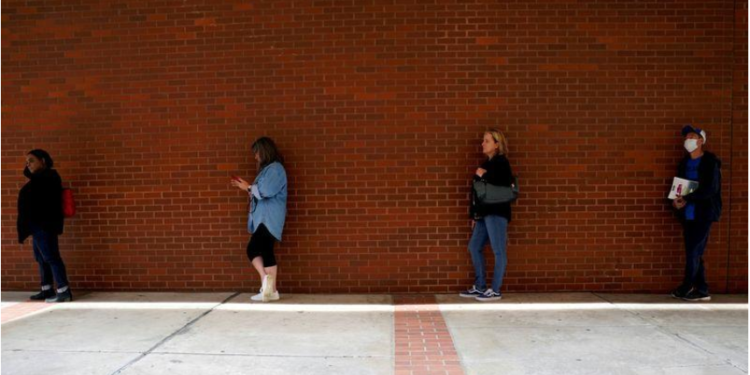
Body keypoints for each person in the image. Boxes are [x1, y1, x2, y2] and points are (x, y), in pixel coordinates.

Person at [460, 129, 514, 302]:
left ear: (497, 144)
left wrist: (484, 175)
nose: (482, 144)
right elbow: (476, 193)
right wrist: (474, 216)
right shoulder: (486, 164)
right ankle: (480, 286)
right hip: (483, 214)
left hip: (497, 213)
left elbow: (505, 183)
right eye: (483, 141)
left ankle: (495, 290)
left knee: (498, 250)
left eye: (487, 141)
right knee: (474, 246)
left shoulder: (502, 162)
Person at [232, 137, 288, 302]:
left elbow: (266, 191)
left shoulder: (276, 169)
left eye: (256, 153)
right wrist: (247, 187)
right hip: (264, 217)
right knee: (264, 250)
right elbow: (259, 191)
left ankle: (267, 284)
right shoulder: (269, 170)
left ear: (264, 151)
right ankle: (271, 290)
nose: (255, 157)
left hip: (268, 217)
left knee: (254, 248)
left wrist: (247, 187)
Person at [670, 125, 722, 302]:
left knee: (693, 251)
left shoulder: (710, 163)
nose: (688, 140)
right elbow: (679, 186)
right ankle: (702, 288)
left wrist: (688, 198)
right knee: (694, 252)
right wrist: (676, 201)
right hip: (687, 214)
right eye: (686, 137)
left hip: (704, 213)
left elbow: (711, 189)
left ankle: (687, 286)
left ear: (701, 141)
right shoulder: (684, 163)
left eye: (692, 136)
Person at [17, 149, 72, 303]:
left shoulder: (49, 177)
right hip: (37, 226)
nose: (28, 164)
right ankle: (46, 289)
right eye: (26, 161)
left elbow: (43, 202)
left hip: (45, 225)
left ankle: (64, 291)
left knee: (51, 257)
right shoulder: (38, 178)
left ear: (43, 160)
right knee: (41, 258)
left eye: (32, 160)